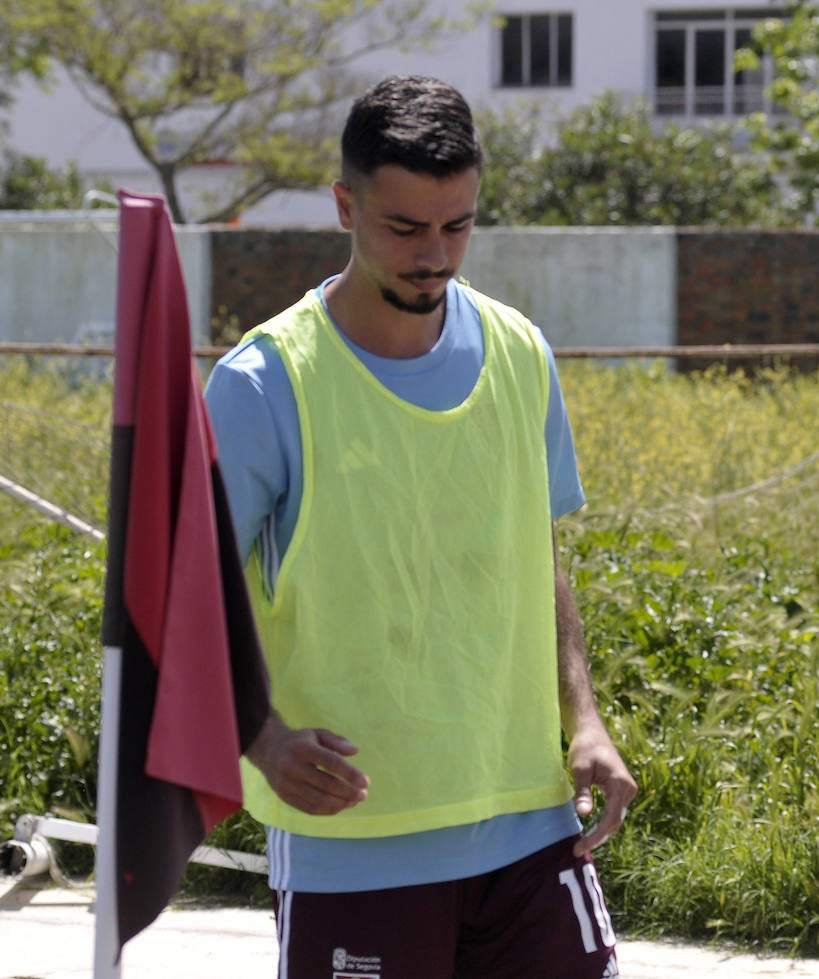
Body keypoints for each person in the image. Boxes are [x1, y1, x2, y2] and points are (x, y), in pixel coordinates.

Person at [205, 75, 637, 978]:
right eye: (404, 228)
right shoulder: (262, 383)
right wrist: (262, 736)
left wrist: (584, 718)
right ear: (343, 205)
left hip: (527, 819)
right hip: (354, 840)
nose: (435, 255)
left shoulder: (521, 350)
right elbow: (188, 599)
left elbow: (537, 555)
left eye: (457, 225)